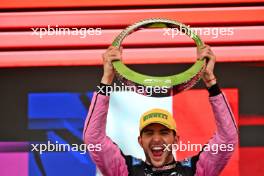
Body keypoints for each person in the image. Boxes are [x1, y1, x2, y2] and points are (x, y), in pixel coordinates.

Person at [83, 45, 238, 176]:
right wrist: (107, 78)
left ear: (176, 140)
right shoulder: (126, 170)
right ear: (140, 141)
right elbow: (94, 140)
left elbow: (227, 140)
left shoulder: (195, 170)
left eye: (164, 132)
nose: (156, 139)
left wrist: (211, 82)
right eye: (149, 133)